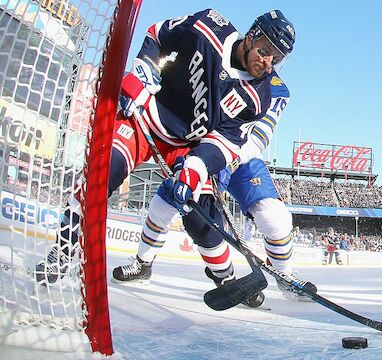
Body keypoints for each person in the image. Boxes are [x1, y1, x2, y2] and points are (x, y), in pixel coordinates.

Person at [35, 9, 304, 304]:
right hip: (146, 117)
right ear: (251, 36)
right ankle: (62, 251)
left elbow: (225, 141)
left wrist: (195, 168)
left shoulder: (259, 95)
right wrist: (142, 72)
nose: (267, 63)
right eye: (265, 51)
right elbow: (157, 34)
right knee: (102, 174)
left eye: (275, 59)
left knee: (202, 221)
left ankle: (226, 279)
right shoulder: (209, 25)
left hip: (187, 145)